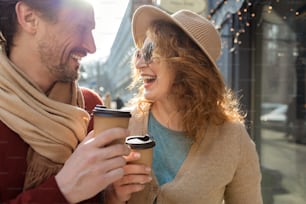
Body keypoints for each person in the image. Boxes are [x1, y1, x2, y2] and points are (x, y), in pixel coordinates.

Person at [108, 5, 263, 204]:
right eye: (139, 53)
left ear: (186, 63)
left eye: (150, 52)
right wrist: (113, 197)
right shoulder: (121, 127)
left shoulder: (234, 140)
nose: (138, 65)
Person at [0, 0, 151, 203]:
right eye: (80, 28)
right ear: (29, 18)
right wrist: (63, 189)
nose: (91, 46)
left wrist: (111, 196)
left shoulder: (91, 107)